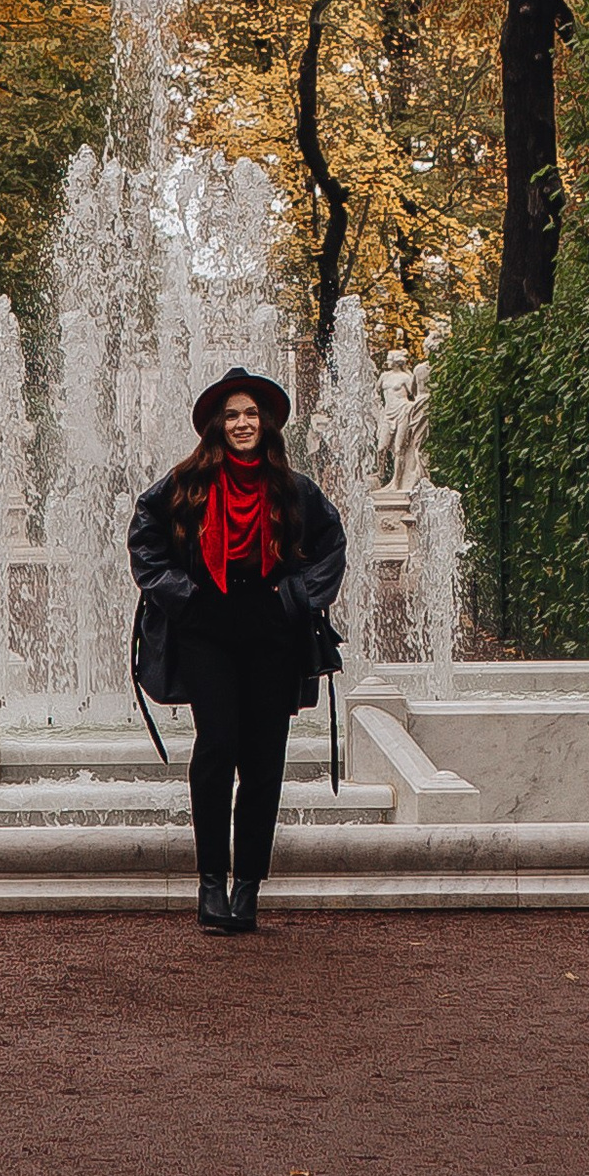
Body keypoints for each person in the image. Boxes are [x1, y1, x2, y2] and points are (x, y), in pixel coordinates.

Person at [127, 366, 347, 938]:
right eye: (232, 415)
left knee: (265, 756)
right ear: (217, 426)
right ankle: (209, 882)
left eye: (251, 414)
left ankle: (247, 886)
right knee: (217, 744)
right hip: (207, 629)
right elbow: (144, 536)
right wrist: (183, 596)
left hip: (272, 632)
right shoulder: (185, 484)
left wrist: (297, 598)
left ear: (266, 422)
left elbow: (332, 544)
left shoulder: (293, 489)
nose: (243, 423)